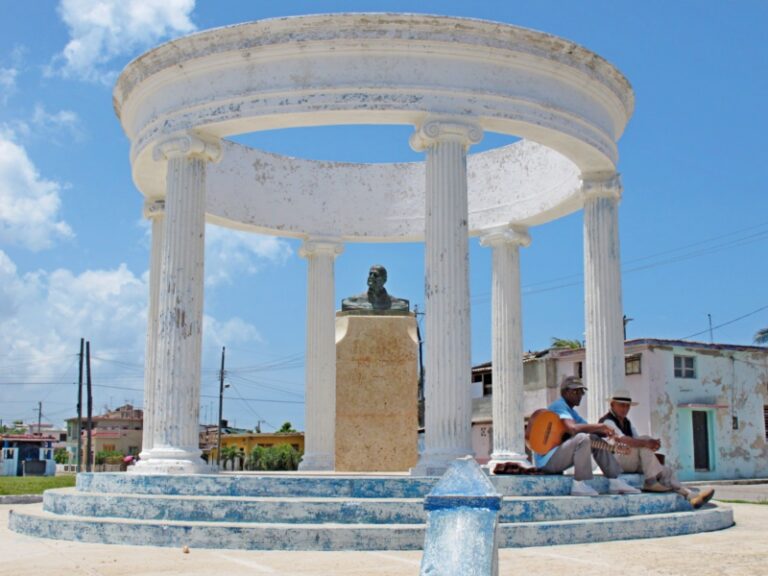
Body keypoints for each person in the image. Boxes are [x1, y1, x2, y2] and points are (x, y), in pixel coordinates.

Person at [599, 389, 715, 508]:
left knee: (665, 471)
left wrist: (651, 446)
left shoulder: (627, 422)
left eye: (627, 406)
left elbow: (637, 441)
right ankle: (651, 481)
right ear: (612, 405)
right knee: (644, 441)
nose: (625, 409)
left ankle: (690, 496)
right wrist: (647, 443)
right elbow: (622, 439)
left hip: (627, 459)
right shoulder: (607, 421)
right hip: (614, 461)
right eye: (621, 405)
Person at [534, 376, 641, 497]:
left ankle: (615, 481)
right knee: (582, 438)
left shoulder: (572, 412)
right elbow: (573, 429)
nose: (580, 395)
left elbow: (589, 429)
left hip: (558, 459)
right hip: (547, 462)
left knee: (592, 438)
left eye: (582, 391)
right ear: (565, 392)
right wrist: (601, 426)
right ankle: (578, 484)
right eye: (576, 391)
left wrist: (607, 433)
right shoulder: (559, 406)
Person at [341, 264, 410, 313]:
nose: (371, 277)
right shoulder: (356, 299)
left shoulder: (394, 302)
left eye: (375, 275)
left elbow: (404, 306)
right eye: (370, 274)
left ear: (384, 280)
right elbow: (345, 304)